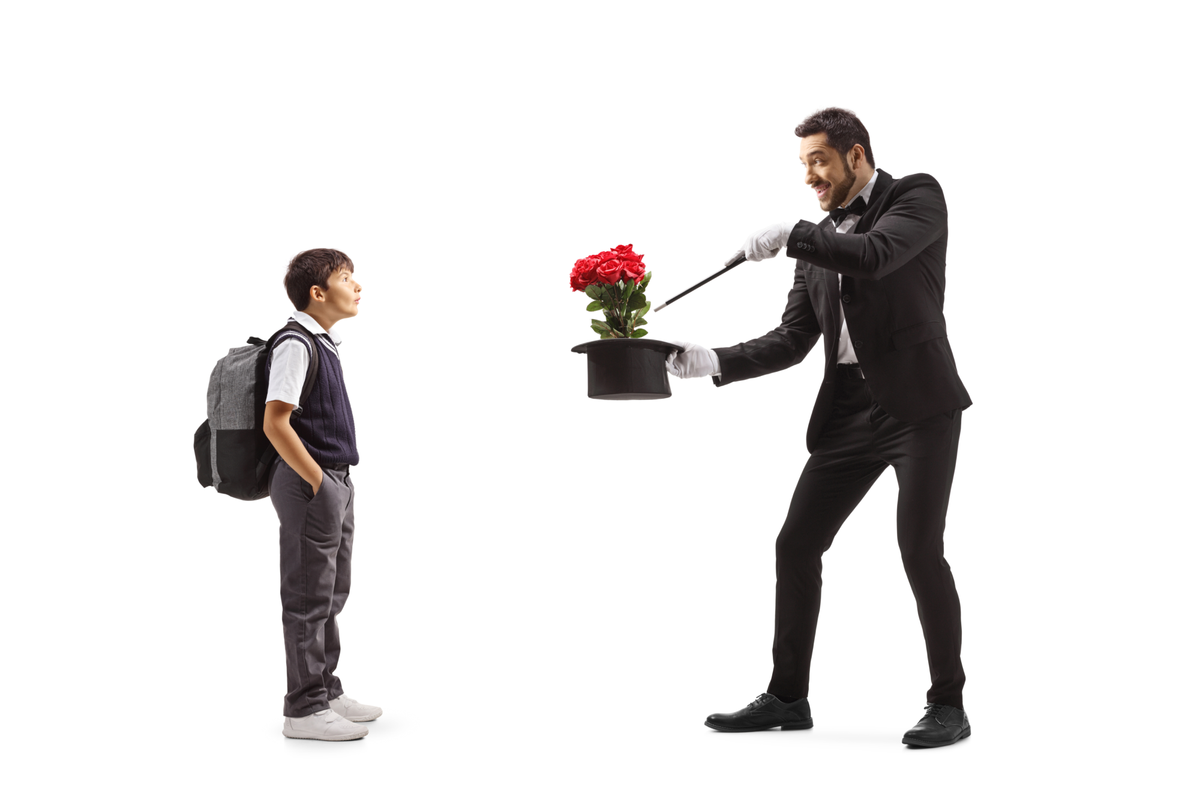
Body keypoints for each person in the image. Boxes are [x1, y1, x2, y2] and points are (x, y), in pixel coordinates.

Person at [667, 108, 973, 748]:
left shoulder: (915, 195)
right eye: (802, 164)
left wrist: (795, 234)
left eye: (819, 160)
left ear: (856, 155)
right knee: (796, 544)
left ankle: (948, 704)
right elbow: (792, 339)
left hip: (919, 409)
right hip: (849, 414)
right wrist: (711, 360)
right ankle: (787, 697)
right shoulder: (817, 244)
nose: (809, 175)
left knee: (919, 552)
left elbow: (877, 253)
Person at [263, 248, 381, 741]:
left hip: (333, 479)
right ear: (318, 292)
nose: (357, 287)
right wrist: (317, 482)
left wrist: (334, 484)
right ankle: (304, 708)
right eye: (346, 278)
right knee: (308, 596)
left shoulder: (324, 343)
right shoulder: (296, 342)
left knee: (331, 592)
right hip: (310, 480)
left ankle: (326, 690)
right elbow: (275, 422)